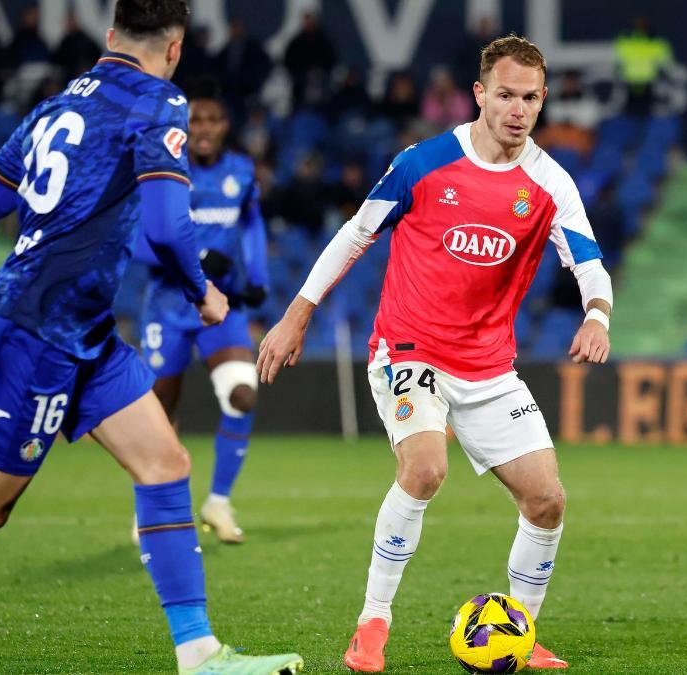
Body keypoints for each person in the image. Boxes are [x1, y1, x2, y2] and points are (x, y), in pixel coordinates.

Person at [0, 2, 303, 673]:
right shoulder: (159, 101)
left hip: (78, 323)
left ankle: (200, 653)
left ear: (111, 36)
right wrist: (200, 291)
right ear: (175, 49)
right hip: (40, 327)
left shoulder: (54, 108)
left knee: (165, 463)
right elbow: (165, 227)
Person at [257, 34, 612, 672]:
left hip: (488, 366)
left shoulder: (550, 182)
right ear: (479, 94)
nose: (518, 109)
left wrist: (597, 315)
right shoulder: (423, 162)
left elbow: (588, 261)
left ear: (543, 100)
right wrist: (296, 313)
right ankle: (372, 625)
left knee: (548, 500)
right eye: (505, 94)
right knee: (424, 469)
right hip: (409, 349)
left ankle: (520, 635)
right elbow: (356, 232)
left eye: (531, 98)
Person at [132, 80, 269, 545]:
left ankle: (218, 501)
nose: (204, 128)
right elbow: (138, 241)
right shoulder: (163, 173)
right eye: (195, 121)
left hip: (221, 308)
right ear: (183, 128)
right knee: (157, 413)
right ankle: (151, 506)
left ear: (225, 126)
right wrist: (195, 264)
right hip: (169, 307)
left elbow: (251, 223)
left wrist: (258, 277)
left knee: (242, 394)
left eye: (212, 120)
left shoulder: (241, 172)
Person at [283, 11, 336, 112]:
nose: (309, 24)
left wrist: (319, 71)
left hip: (321, 82)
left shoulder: (324, 41)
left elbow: (331, 60)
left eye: (311, 21)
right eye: (307, 21)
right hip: (301, 84)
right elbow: (288, 61)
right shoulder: (296, 42)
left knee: (322, 109)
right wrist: (299, 73)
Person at [53, 13, 102, 78]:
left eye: (71, 21)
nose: (69, 24)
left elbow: (97, 54)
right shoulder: (65, 41)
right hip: (69, 76)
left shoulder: (85, 39)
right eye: (68, 22)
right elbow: (56, 60)